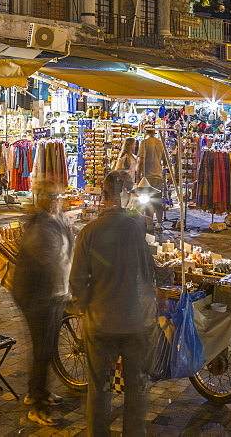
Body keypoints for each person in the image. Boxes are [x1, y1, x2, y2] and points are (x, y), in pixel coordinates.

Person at [70, 170, 156, 436]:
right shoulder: (136, 227)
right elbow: (149, 269)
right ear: (126, 196)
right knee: (136, 386)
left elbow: (77, 281)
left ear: (103, 196)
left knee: (99, 388)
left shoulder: (89, 232)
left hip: (101, 321)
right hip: (134, 320)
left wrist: (84, 306)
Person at [12, 182, 75, 426]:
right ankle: (37, 406)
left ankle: (36, 392)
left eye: (58, 196)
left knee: (47, 347)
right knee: (42, 350)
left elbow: (67, 249)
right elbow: (49, 261)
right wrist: (65, 289)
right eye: (52, 197)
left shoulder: (55, 219)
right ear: (43, 200)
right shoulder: (39, 225)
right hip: (38, 296)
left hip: (52, 293)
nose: (56, 201)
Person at [137, 129, 171, 228]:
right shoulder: (160, 143)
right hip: (158, 176)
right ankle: (159, 224)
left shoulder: (144, 143)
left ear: (145, 132)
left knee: (147, 201)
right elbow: (165, 160)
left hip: (147, 176)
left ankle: (149, 224)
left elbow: (140, 161)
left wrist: (138, 177)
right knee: (157, 201)